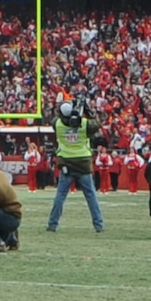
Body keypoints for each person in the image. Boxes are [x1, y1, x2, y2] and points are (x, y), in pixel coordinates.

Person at [45, 100, 104, 233]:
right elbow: (97, 124)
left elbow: (54, 118)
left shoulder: (58, 124)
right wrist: (89, 113)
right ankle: (98, 225)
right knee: (91, 195)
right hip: (83, 162)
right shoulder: (84, 124)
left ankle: (52, 224)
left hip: (66, 162)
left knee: (60, 195)